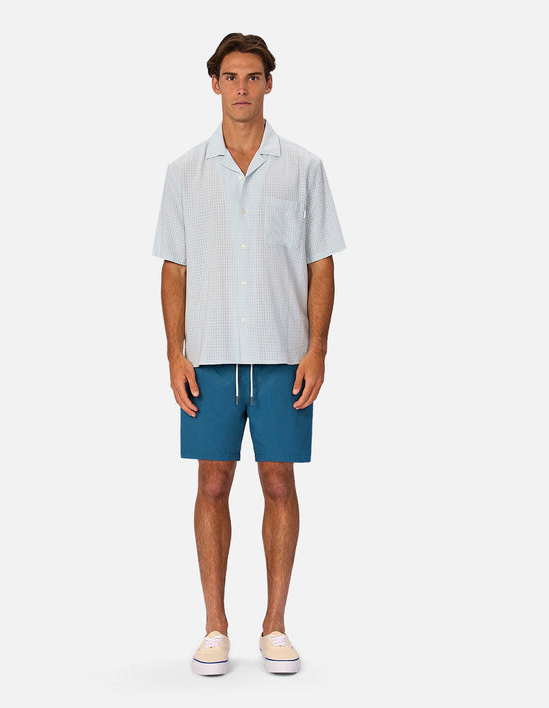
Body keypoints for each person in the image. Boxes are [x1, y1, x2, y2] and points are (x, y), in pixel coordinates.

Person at [153, 32, 345, 675]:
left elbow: (321, 264)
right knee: (211, 483)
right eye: (230, 77)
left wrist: (317, 350)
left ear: (269, 84)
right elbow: (174, 267)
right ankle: (215, 626)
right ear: (214, 84)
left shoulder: (304, 168)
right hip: (208, 356)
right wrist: (174, 354)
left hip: (282, 354)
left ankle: (275, 625)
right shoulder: (184, 171)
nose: (241, 88)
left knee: (278, 482)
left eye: (253, 76)